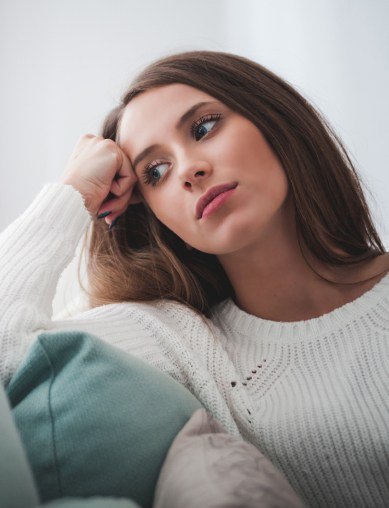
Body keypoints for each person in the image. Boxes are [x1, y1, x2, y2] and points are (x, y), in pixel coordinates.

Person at [1, 50, 388, 507]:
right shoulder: (180, 341)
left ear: (273, 118)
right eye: (156, 172)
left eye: (203, 128)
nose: (189, 169)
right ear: (155, 213)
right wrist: (72, 194)